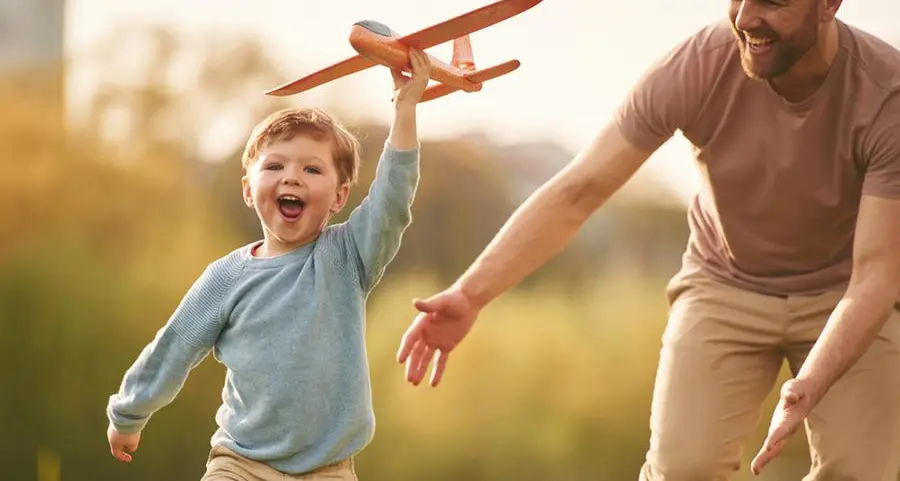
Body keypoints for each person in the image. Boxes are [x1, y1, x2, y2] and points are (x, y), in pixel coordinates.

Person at [396, 1, 900, 479]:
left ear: (829, 4)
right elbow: (579, 190)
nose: (747, 18)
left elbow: (876, 276)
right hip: (726, 285)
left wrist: (810, 382)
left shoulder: (886, 95)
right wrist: (470, 293)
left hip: (844, 295)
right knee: (682, 469)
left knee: (856, 472)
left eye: (774, 2)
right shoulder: (698, 65)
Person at [105, 49, 431, 480]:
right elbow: (175, 344)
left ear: (339, 196)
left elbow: (392, 199)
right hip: (241, 463)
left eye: (312, 169)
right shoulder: (225, 278)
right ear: (248, 189)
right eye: (275, 165)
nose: (292, 177)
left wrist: (405, 110)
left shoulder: (347, 256)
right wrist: (129, 413)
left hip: (329, 470)